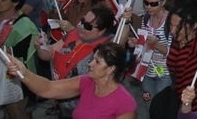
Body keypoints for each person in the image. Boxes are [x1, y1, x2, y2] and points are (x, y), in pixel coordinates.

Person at [7, 42, 136, 119]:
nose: (90, 64)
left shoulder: (124, 103)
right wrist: (23, 72)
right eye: (93, 59)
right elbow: (48, 88)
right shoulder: (86, 81)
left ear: (110, 69)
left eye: (97, 62)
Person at [36, 5, 115, 117]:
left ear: (102, 31)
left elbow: (121, 41)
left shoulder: (108, 45)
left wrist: (126, 23)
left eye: (88, 26)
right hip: (63, 102)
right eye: (82, 21)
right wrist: (42, 46)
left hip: (87, 109)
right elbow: (50, 52)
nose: (82, 27)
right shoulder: (73, 34)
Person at [121, 0, 172, 112]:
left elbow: (172, 53)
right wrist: (137, 42)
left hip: (164, 72)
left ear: (163, 2)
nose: (148, 7)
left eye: (153, 4)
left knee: (161, 108)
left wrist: (156, 45)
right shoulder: (146, 17)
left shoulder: (171, 21)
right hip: (146, 70)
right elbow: (143, 41)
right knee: (149, 106)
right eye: (146, 3)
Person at [0, 0, 39, 117]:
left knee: (16, 115)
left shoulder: (25, 26)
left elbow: (22, 56)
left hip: (14, 79)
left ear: (15, 2)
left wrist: (1, 48)